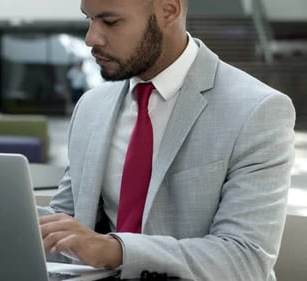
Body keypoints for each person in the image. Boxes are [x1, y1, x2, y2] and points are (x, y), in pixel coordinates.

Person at [38, 0, 296, 280]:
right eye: (89, 19)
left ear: (168, 10)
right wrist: (4, 214)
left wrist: (115, 250)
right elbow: (65, 221)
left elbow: (245, 259)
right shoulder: (91, 106)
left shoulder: (257, 110)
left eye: (110, 22)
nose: (91, 38)